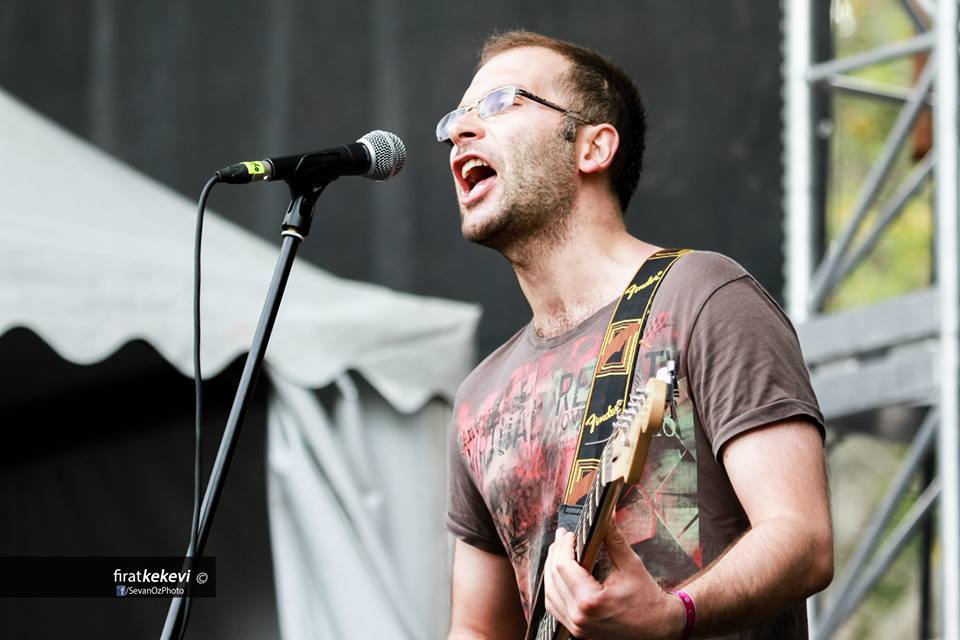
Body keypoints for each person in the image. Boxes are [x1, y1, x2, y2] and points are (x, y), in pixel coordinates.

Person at [441, 30, 833, 640]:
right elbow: (477, 629)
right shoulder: (479, 397)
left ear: (593, 147)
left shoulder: (703, 298)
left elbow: (802, 538)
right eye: (455, 119)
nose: (460, 132)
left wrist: (674, 615)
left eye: (499, 103)